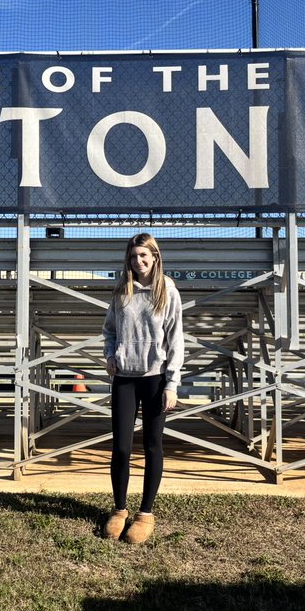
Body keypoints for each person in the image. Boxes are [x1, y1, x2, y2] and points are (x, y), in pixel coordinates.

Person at [100, 232, 184, 543]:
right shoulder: (122, 290)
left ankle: (145, 513)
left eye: (143, 255)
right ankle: (119, 510)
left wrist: (172, 383)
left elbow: (175, 340)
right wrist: (110, 355)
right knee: (121, 447)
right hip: (124, 378)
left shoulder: (167, 290)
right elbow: (109, 330)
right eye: (133, 256)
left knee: (152, 445)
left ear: (155, 257)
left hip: (155, 379)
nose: (138, 261)